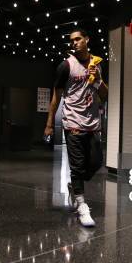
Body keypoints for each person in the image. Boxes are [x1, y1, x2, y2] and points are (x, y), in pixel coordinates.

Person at [44, 28, 108, 227]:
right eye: (71, 40)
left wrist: (97, 80)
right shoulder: (65, 66)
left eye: (78, 39)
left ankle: (75, 184)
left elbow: (104, 96)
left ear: (87, 40)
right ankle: (81, 205)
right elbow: (56, 97)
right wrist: (48, 124)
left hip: (93, 124)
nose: (74, 43)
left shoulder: (96, 65)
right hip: (72, 122)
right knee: (77, 165)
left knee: (96, 162)